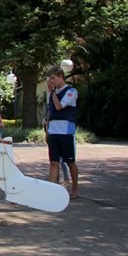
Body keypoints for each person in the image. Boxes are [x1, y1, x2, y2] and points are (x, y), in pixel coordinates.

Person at [45, 66, 79, 199]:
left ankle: (75, 188)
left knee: (70, 161)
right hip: (53, 130)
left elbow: (59, 106)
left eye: (53, 78)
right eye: (50, 79)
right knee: (54, 162)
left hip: (66, 131)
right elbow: (50, 111)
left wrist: (53, 93)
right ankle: (51, 189)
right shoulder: (52, 94)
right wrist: (47, 130)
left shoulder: (71, 91)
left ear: (60, 76)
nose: (51, 81)